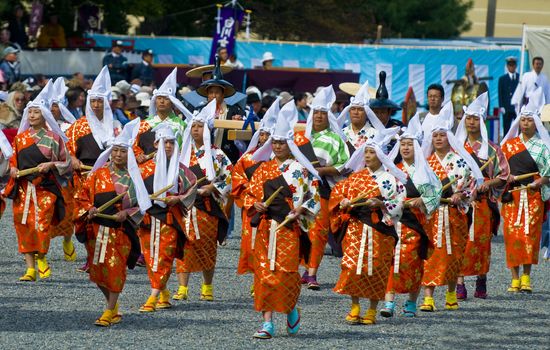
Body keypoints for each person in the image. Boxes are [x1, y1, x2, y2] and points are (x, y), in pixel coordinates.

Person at [245, 100, 321, 339]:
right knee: (264, 273)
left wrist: (302, 209)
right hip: (267, 227)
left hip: (289, 228)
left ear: (289, 144)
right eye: (274, 142)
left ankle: (290, 308)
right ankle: (267, 323)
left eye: (281, 143)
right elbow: (249, 194)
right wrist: (254, 203)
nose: (277, 146)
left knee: (286, 274)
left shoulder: (300, 169)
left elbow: (314, 193)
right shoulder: (262, 169)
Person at [74, 118, 151, 327]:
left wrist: (127, 213)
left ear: (130, 154)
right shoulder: (97, 175)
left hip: (120, 231)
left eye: (123, 151)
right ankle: (113, 307)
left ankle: (108, 310)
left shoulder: (134, 178)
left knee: (116, 270)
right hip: (96, 229)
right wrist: (88, 208)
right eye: (115, 151)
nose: (118, 155)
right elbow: (81, 196)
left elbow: (142, 206)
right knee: (97, 272)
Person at [330, 127, 406, 325]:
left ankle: (372, 309)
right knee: (352, 266)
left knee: (377, 268)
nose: (368, 156)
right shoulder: (355, 177)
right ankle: (355, 306)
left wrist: (381, 204)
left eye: (372, 152)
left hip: (380, 230)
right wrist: (344, 202)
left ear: (381, 155)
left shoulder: (391, 180)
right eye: (366, 152)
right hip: (356, 228)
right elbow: (339, 194)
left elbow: (399, 204)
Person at [419, 101, 483, 312]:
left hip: (454, 215)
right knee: (430, 254)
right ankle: (428, 297)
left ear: (449, 137)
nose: (438, 139)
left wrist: (459, 193)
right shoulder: (426, 163)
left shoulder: (460, 162)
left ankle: (451, 293)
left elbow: (471, 185)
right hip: (432, 215)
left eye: (442, 135)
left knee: (453, 254)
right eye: (435, 136)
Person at [5, 81, 71, 282]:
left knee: (41, 224)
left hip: (45, 187)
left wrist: (51, 165)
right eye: (30, 112)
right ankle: (30, 269)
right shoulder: (20, 138)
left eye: (36, 112)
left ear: (45, 115)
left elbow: (66, 162)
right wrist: (13, 169)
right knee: (23, 224)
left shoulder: (54, 138)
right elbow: (13, 160)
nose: (32, 116)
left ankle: (42, 255)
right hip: (24, 187)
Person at [382, 114, 442, 318]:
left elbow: (436, 192)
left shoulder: (425, 171)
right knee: (390, 260)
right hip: (394, 222)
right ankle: (389, 301)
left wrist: (422, 201)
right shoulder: (393, 170)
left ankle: (411, 301)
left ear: (415, 147)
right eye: (403, 144)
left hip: (415, 223)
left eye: (409, 144)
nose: (406, 148)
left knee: (413, 261)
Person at [173, 99, 232, 301]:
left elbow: (230, 176)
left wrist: (213, 187)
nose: (196, 130)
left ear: (206, 130)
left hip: (207, 207)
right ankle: (183, 288)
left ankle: (207, 286)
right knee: (184, 245)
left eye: (199, 127)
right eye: (193, 126)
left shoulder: (217, 154)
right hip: (185, 207)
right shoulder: (182, 154)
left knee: (207, 246)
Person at [66, 66, 122, 272]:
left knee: (107, 217)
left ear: (106, 102)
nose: (96, 105)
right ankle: (91, 256)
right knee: (85, 218)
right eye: (93, 101)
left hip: (109, 179)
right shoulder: (78, 126)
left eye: (100, 101)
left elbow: (124, 151)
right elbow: (69, 150)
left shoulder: (116, 126)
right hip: (84, 177)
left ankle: (107, 256)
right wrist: (72, 158)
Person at [454, 92, 510, 300]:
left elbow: (503, 175)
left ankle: (481, 278)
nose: (471, 122)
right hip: (461, 203)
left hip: (482, 204)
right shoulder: (456, 149)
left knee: (480, 242)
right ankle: (459, 282)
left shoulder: (492, 149)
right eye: (468, 118)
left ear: (482, 121)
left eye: (475, 119)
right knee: (460, 240)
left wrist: (488, 183)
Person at [138, 124, 197, 312]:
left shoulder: (181, 170)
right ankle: (163, 292)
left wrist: (178, 198)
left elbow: (192, 188)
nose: (168, 146)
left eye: (171, 142)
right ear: (156, 144)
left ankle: (153, 296)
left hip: (170, 218)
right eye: (165, 142)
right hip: (147, 218)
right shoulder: (144, 169)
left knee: (163, 256)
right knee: (149, 257)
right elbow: (132, 193)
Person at [298, 85, 350, 290]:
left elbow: (344, 166)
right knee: (301, 228)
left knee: (319, 231)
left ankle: (312, 272)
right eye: (316, 113)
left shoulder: (336, 140)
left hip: (323, 189)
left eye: (323, 113)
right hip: (301, 190)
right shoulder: (301, 138)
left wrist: (323, 170)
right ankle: (301, 268)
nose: (319, 116)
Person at [500, 87, 550, 293]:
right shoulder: (508, 145)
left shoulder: (543, 146)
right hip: (513, 195)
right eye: (523, 120)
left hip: (532, 196)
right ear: (518, 122)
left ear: (535, 122)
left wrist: (541, 181)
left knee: (530, 236)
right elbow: (500, 171)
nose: (526, 123)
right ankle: (514, 278)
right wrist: (506, 178)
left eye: (530, 120)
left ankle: (526, 277)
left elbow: (549, 172)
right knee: (513, 236)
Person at [232, 98, 279, 294]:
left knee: (275, 245)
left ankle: (272, 278)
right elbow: (237, 181)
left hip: (277, 210)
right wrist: (252, 201)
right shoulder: (248, 158)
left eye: (269, 135)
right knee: (252, 245)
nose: (264, 138)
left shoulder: (282, 161)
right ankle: (257, 279)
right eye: (262, 134)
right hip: (253, 209)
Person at [48, 77, 78, 261]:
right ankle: (38, 248)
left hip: (65, 175)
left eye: (56, 106)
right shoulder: (37, 128)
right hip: (43, 175)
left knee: (67, 211)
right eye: (49, 106)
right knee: (42, 213)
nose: (52, 109)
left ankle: (67, 240)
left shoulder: (69, 127)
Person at [134, 68, 192, 161]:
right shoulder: (143, 125)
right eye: (159, 98)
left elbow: (186, 150)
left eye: (166, 99)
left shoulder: (181, 125)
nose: (162, 101)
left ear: (172, 103)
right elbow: (134, 146)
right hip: (147, 170)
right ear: (154, 101)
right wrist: (138, 155)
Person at [195, 56, 241, 163]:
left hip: (227, 157)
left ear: (223, 94)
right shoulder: (199, 110)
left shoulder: (234, 111)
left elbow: (241, 138)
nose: (213, 95)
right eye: (210, 92)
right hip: (204, 157)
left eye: (217, 92)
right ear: (207, 95)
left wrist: (238, 123)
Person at [339, 81, 385, 150]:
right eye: (353, 109)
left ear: (367, 112)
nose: (356, 112)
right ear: (349, 111)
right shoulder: (341, 133)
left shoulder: (375, 134)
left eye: (360, 110)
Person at [498, 57, 520, 135]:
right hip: (506, 107)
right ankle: (505, 146)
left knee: (519, 128)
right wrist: (501, 106)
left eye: (513, 65)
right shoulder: (502, 79)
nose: (511, 67)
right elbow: (500, 93)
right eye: (509, 65)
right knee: (506, 128)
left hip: (517, 107)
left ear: (516, 66)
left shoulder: (520, 78)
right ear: (507, 66)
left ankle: (519, 145)